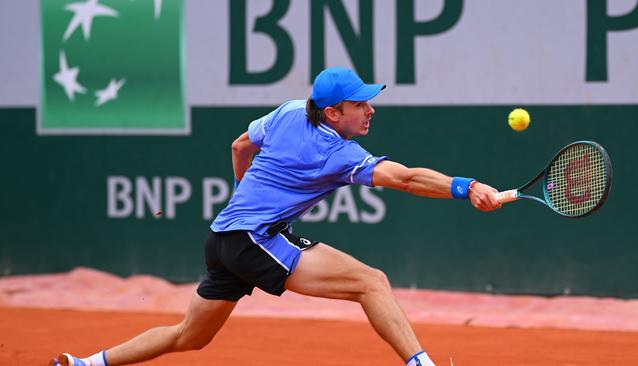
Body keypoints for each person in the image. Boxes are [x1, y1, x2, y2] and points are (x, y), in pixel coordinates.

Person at [50, 67, 502, 366]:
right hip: (254, 238)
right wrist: (468, 187)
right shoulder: (338, 152)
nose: (371, 110)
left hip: (223, 238)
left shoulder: (288, 112)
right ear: (332, 113)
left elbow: (239, 146)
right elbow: (404, 179)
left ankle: (85, 364)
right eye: (360, 104)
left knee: (190, 336)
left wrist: (243, 195)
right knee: (372, 282)